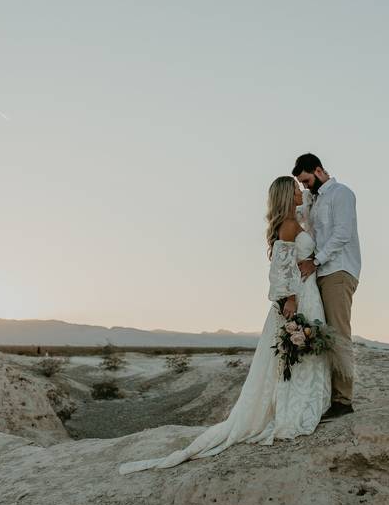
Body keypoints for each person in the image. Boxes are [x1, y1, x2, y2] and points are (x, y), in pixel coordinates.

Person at [118, 176, 331, 475]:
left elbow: (308, 205)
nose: (301, 192)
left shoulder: (294, 218)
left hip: (308, 291)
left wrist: (318, 185)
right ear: (286, 196)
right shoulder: (288, 224)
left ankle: (305, 402)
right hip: (300, 295)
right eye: (296, 189)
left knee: (300, 352)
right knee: (295, 351)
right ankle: (293, 409)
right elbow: (281, 267)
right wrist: (290, 301)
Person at [292, 153, 361, 420]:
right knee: (323, 333)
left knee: (339, 334)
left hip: (338, 270)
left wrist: (315, 261)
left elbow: (342, 234)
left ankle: (344, 401)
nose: (305, 186)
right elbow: (299, 218)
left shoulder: (341, 194)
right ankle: (327, 396)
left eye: (307, 180)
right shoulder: (315, 199)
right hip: (321, 272)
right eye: (301, 184)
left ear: (319, 170)